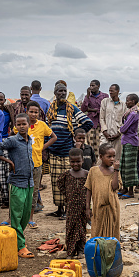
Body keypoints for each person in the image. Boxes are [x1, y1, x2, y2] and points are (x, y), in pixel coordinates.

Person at [46, 83, 93, 219]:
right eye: (60, 91)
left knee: (69, 182)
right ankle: (59, 210)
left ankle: (67, 210)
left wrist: (76, 134)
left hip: (67, 150)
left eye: (64, 91)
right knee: (56, 182)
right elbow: (46, 129)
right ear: (55, 93)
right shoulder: (51, 109)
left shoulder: (72, 109)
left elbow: (88, 123)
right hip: (53, 151)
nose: (62, 93)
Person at [0, 113, 34, 258]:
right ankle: (20, 246)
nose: (21, 127)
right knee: (16, 215)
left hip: (29, 182)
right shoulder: (13, 140)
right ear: (15, 126)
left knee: (25, 215)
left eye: (24, 124)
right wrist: (9, 162)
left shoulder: (29, 140)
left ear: (29, 124)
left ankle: (18, 240)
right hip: (17, 182)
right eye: (18, 124)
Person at [25, 101, 56, 228]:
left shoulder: (42, 125)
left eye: (36, 112)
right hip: (23, 163)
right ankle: (13, 218)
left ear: (39, 113)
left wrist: (42, 148)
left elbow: (54, 137)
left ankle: (31, 218)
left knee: (34, 190)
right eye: (31, 111)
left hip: (37, 163)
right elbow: (13, 135)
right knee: (20, 191)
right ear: (27, 112)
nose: (33, 114)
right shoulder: (23, 124)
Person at [85, 143, 121, 239]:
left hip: (112, 207)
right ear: (101, 157)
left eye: (114, 156)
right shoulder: (93, 171)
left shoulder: (115, 171)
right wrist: (87, 207)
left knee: (112, 232)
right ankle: (98, 253)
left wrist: (116, 171)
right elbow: (88, 189)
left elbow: (114, 187)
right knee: (97, 231)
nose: (112, 159)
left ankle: (110, 253)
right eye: (109, 156)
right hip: (98, 208)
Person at [58, 148, 89, 257]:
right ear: (69, 161)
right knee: (70, 228)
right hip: (71, 207)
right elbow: (59, 184)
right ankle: (70, 252)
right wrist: (67, 194)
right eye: (73, 161)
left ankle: (81, 250)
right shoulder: (66, 174)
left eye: (78, 161)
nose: (75, 164)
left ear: (82, 160)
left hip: (83, 207)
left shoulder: (86, 174)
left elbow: (91, 189)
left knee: (81, 228)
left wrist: (88, 206)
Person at [0, 91, 13, 208]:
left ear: (5, 100)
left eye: (1, 100)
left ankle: (7, 199)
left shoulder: (7, 113)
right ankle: (0, 198)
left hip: (5, 142)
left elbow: (13, 124)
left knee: (5, 171)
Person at [119, 94, 139, 199]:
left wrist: (120, 128)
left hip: (130, 142)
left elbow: (124, 129)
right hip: (126, 141)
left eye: (128, 101)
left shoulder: (133, 114)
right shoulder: (130, 113)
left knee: (129, 168)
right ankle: (124, 188)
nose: (126, 102)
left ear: (133, 101)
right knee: (123, 166)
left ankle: (130, 191)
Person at [81, 79, 108, 157]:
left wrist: (91, 109)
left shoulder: (104, 96)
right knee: (91, 143)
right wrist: (87, 95)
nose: (91, 87)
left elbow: (105, 109)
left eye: (93, 85)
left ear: (98, 86)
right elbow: (83, 109)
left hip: (101, 123)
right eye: (90, 85)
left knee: (101, 144)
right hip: (91, 123)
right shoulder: (88, 96)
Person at [99, 84, 126, 161]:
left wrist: (118, 133)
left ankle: (114, 173)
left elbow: (124, 122)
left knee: (115, 158)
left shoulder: (123, 105)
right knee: (102, 157)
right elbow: (101, 118)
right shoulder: (105, 102)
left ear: (117, 91)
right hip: (105, 135)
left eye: (112, 91)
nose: (110, 92)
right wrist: (105, 132)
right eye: (109, 91)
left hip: (117, 136)